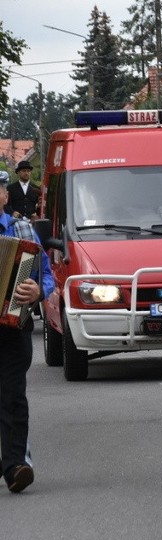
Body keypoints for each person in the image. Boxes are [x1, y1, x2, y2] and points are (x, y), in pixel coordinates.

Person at [0, 178, 55, 493]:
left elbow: (46, 274)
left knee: (13, 396)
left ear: (5, 195)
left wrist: (37, 290)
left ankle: (16, 466)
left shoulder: (22, 231)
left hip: (12, 325)